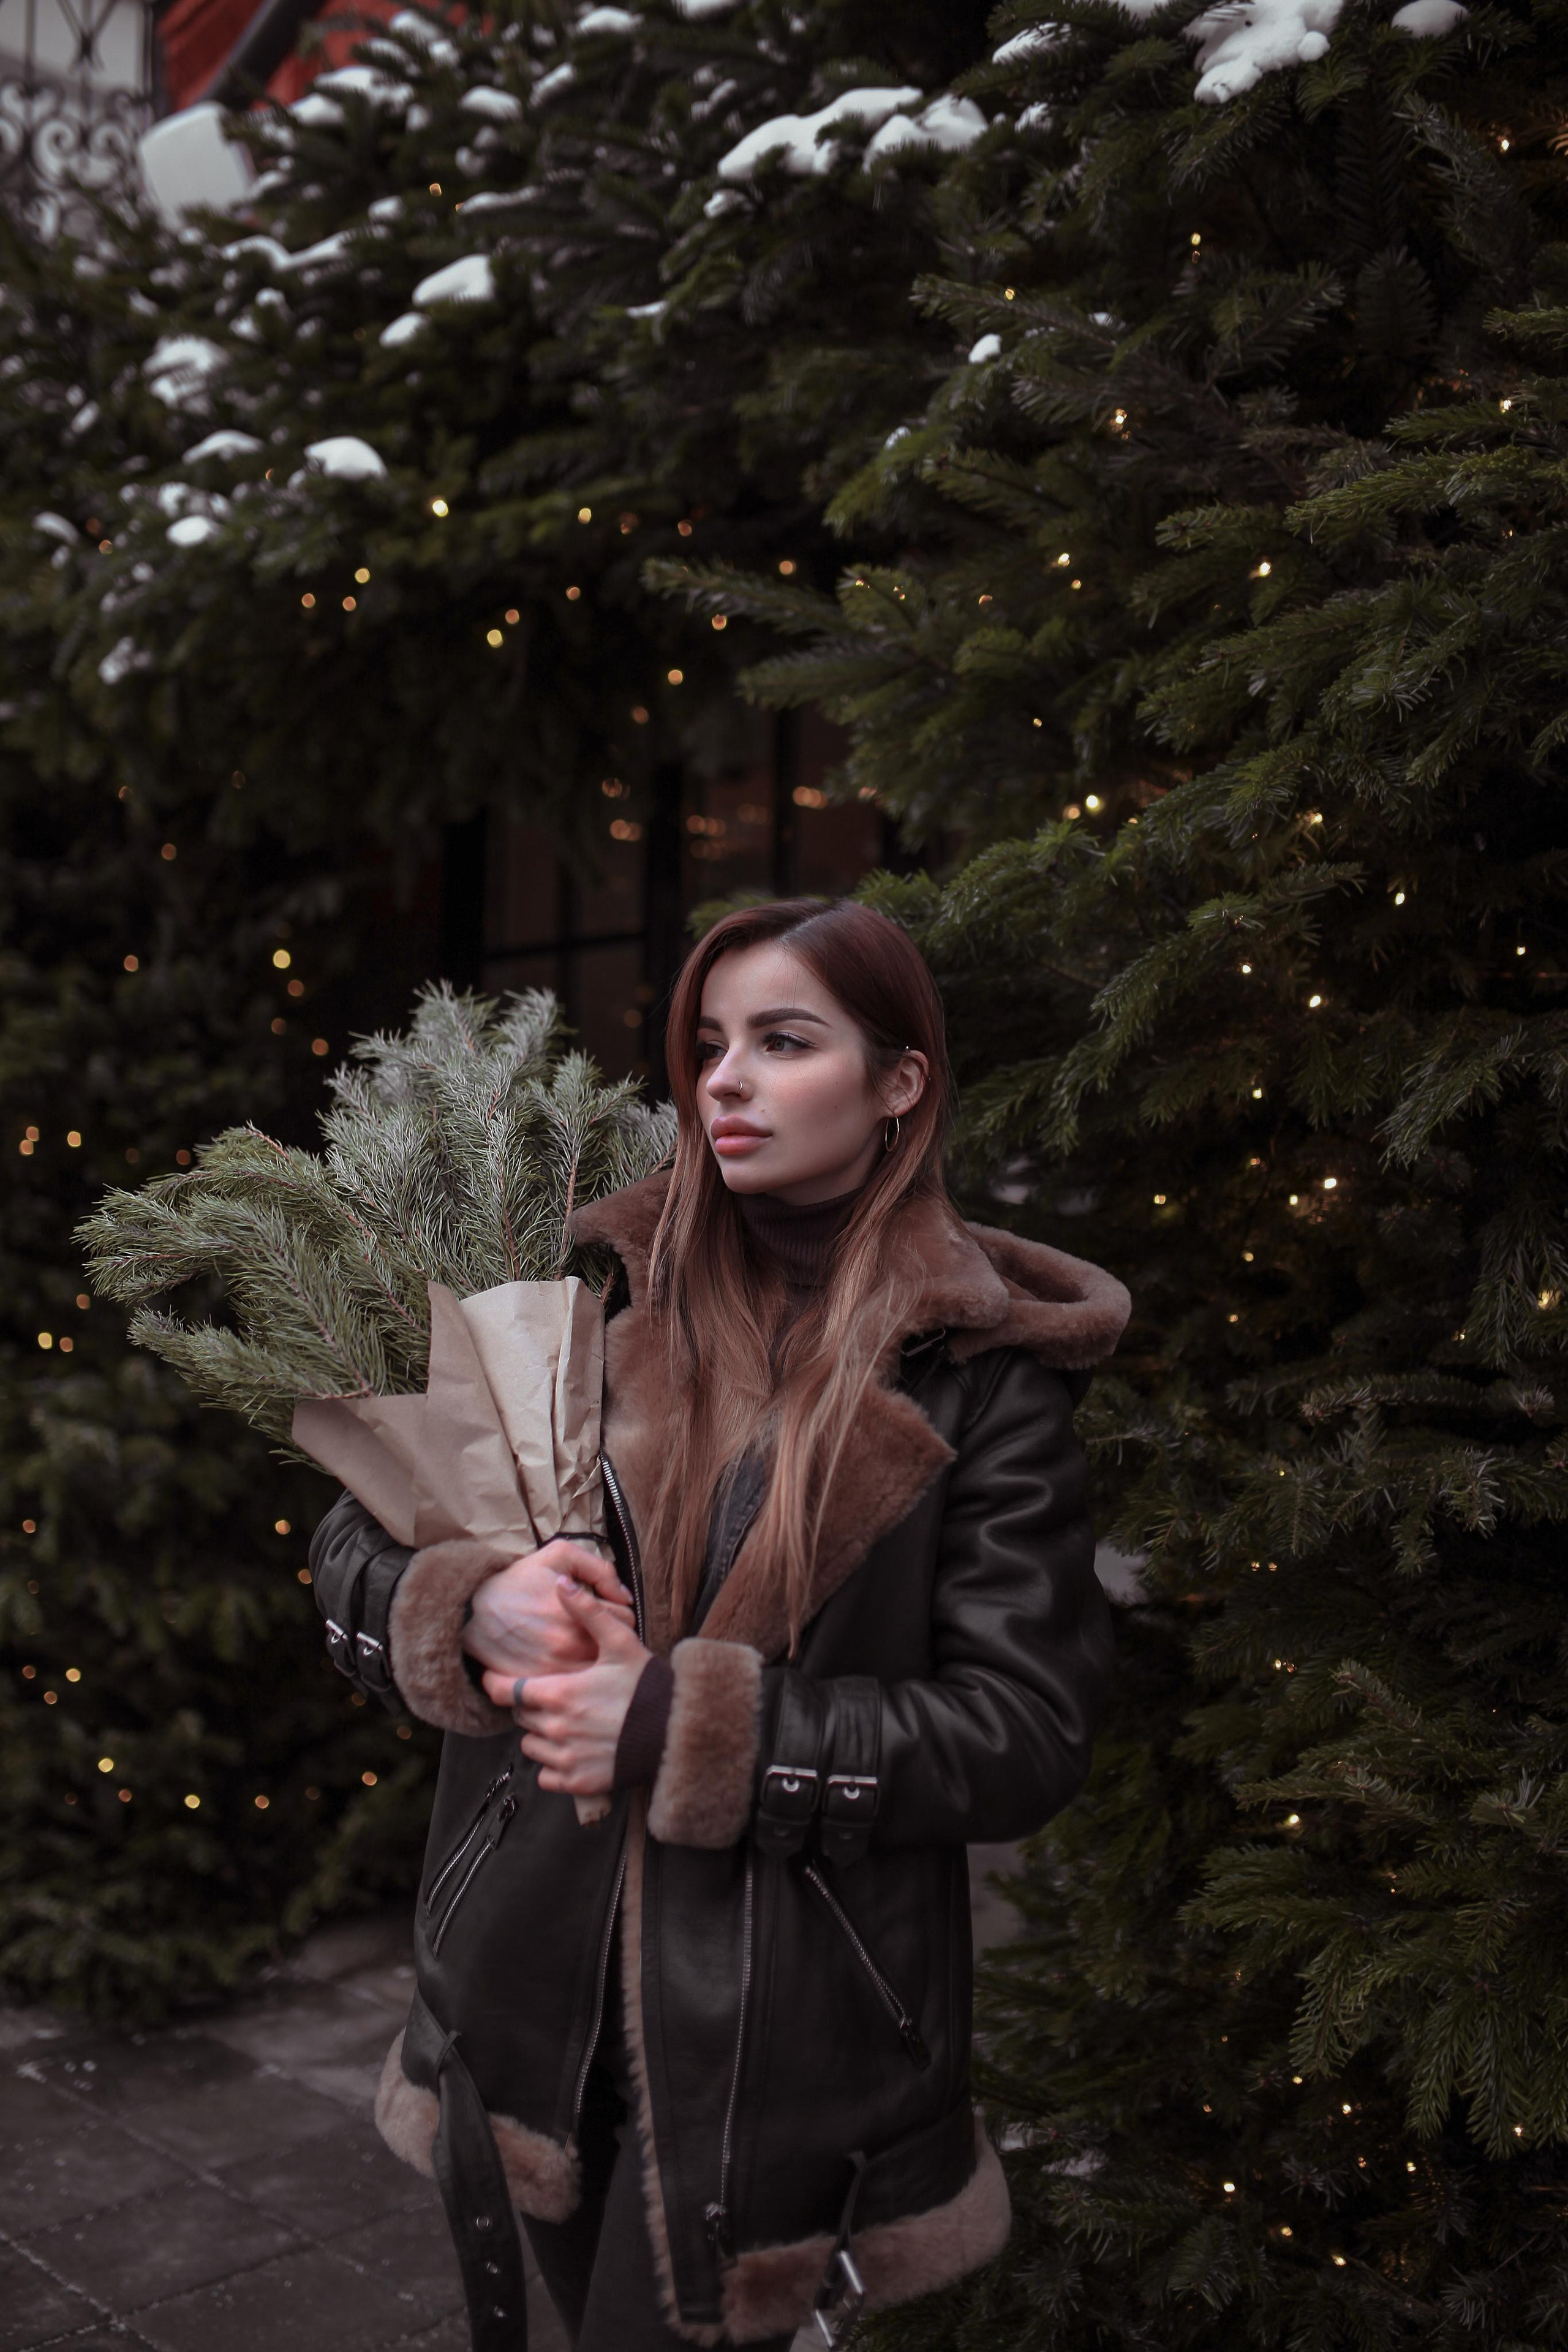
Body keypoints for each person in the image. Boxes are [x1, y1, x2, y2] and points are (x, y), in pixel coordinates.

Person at [309, 897, 1131, 2351]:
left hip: (784, 2036)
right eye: (707, 1044)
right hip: (519, 1993)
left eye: (783, 1040)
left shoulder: (981, 1380)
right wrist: (469, 1604)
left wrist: (687, 1727)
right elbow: (354, 1546)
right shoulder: (583, 1294)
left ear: (897, 1085)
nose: (723, 1080)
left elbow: (1021, 1736)